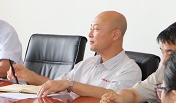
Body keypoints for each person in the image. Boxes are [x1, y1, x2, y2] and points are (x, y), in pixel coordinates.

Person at [9, 11, 141, 98]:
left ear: (115, 35)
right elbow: (58, 84)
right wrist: (29, 76)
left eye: (96, 29)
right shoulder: (88, 63)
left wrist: (70, 84)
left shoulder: (129, 69)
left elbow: (114, 96)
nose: (90, 34)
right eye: (90, 28)